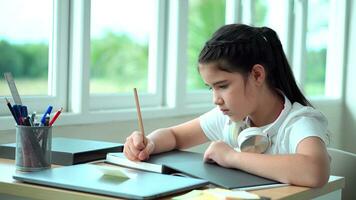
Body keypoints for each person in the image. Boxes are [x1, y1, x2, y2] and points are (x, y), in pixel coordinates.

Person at [124, 24, 330, 187]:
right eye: (210, 88)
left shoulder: (299, 121)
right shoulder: (231, 118)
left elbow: (315, 171)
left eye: (222, 86)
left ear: (257, 75)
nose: (216, 99)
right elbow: (174, 136)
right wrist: (148, 142)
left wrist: (232, 157)